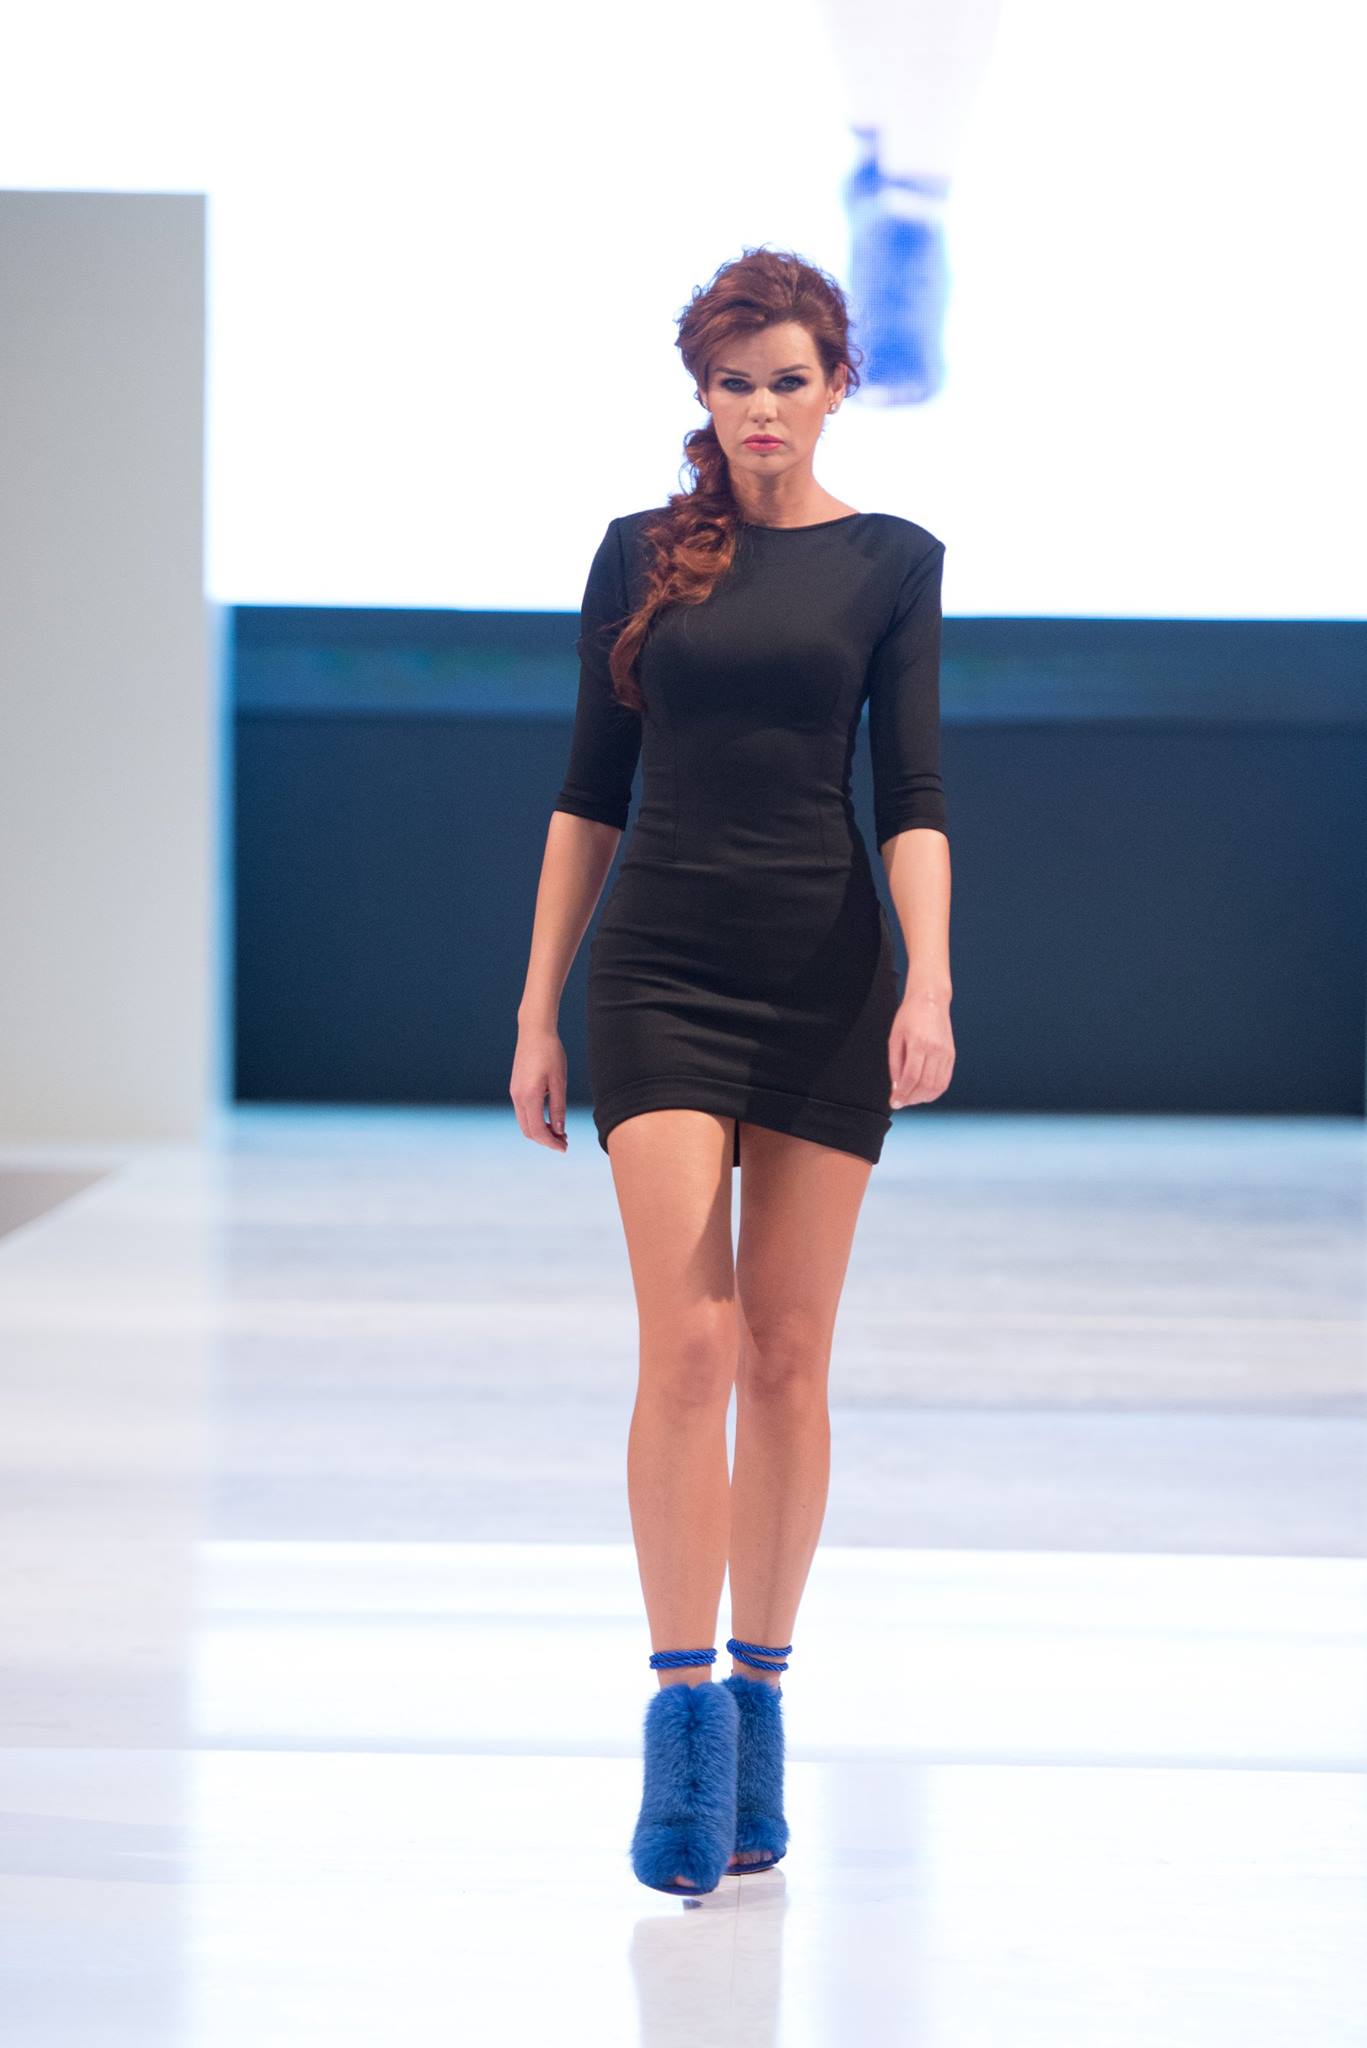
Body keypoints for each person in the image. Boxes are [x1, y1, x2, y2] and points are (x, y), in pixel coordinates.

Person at [511, 246, 954, 1894]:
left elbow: (914, 792)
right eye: (734, 383)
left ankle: (761, 1711)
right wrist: (539, 1011)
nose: (762, 409)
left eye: (789, 380)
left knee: (785, 1355)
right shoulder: (640, 555)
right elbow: (587, 793)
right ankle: (681, 1727)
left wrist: (931, 980)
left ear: (838, 387)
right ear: (703, 395)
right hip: (659, 974)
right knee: (687, 1346)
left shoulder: (893, 562)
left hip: (827, 976)